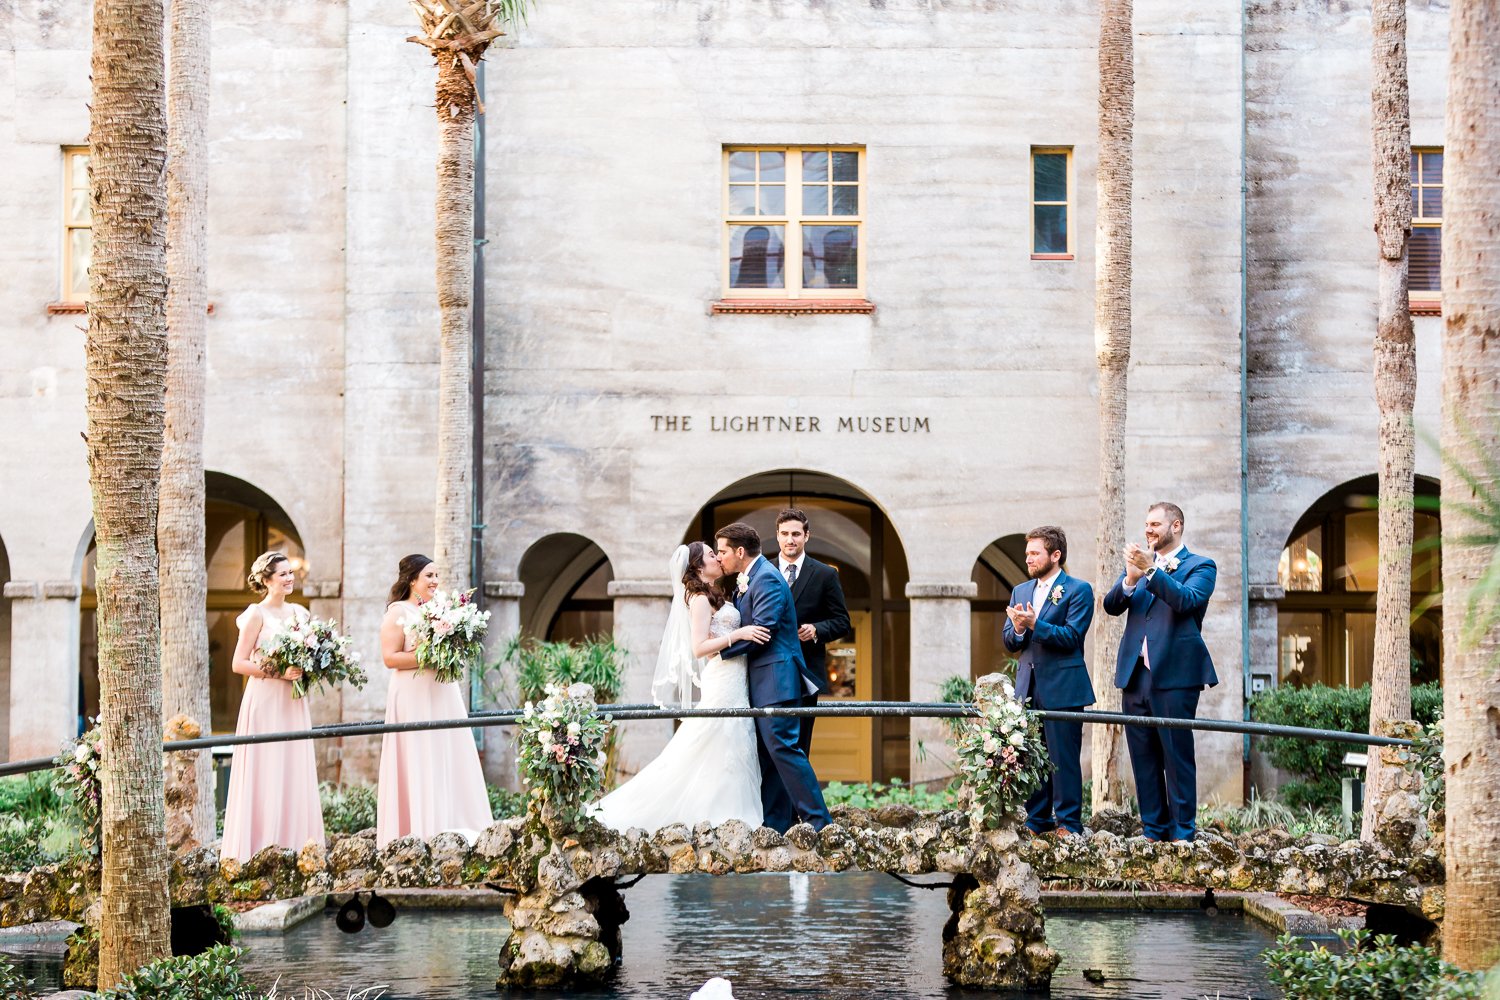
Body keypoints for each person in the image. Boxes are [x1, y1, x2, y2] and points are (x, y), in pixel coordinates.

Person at [594, 542, 771, 831]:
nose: (717, 558)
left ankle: (731, 815)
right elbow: (699, 647)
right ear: (699, 566)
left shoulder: (714, 594)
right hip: (723, 676)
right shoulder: (699, 598)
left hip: (736, 677)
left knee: (733, 741)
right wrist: (738, 634)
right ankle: (717, 817)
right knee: (716, 739)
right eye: (712, 555)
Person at [1103, 502, 1218, 843]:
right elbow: (1111, 606)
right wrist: (1129, 578)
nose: (1149, 530)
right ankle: (1153, 830)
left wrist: (1151, 572)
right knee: (1143, 755)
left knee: (1176, 754)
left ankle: (1183, 833)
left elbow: (1186, 600)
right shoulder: (1140, 568)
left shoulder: (1201, 566)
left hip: (1176, 675)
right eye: (1146, 524)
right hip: (1135, 675)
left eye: (1155, 524)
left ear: (1176, 526)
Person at [717, 521, 832, 833]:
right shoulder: (752, 577)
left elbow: (762, 632)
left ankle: (821, 824)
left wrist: (716, 651)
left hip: (778, 680)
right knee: (770, 756)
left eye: (723, 552)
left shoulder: (766, 579)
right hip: (763, 682)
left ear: (740, 552)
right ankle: (776, 826)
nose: (720, 558)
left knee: (784, 749)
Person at [375, 554, 493, 848]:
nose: (435, 581)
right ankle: (417, 831)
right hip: (412, 694)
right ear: (412, 580)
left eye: (436, 576)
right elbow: (390, 658)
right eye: (429, 576)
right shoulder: (396, 613)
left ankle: (460, 824)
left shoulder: (441, 610)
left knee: (449, 749)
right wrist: (428, 657)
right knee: (419, 753)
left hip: (442, 691)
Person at [220, 551, 326, 862]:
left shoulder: (300, 614)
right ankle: (258, 847)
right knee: (266, 766)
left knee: (293, 765)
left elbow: (310, 656)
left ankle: (297, 844)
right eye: (282, 574)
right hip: (265, 700)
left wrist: (310, 668)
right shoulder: (256, 614)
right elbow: (238, 663)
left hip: (293, 701)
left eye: (290, 572)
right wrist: (279, 672)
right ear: (267, 580)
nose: (290, 578)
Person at [1002, 525, 1095, 837]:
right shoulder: (1020, 591)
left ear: (1055, 555)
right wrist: (1017, 629)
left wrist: (1034, 624)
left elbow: (1071, 636)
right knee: (1033, 756)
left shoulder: (1079, 590)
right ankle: (1037, 820)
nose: (1028, 559)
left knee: (1063, 758)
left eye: (1034, 553)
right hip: (1027, 686)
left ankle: (1068, 822)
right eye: (1027, 553)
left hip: (1064, 688)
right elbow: (1010, 641)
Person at [772, 508, 850, 759]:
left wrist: (817, 629)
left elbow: (842, 622)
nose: (790, 540)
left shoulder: (825, 574)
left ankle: (797, 800)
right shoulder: (764, 571)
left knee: (800, 744)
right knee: (769, 745)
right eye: (784, 534)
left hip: (805, 671)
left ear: (807, 536)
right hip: (768, 671)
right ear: (777, 536)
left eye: (796, 534)